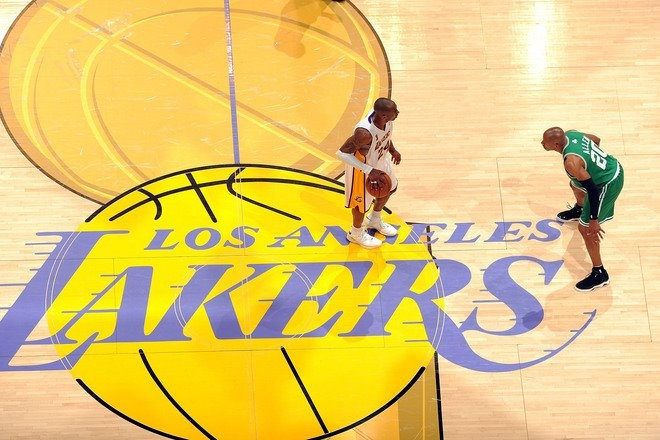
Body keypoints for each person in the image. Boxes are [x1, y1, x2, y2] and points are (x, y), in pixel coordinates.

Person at [542, 127, 624, 292]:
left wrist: (593, 220)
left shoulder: (571, 162)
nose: (542, 143)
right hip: (613, 166)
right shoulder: (572, 134)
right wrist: (594, 164)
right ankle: (579, 209)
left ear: (556, 144)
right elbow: (596, 140)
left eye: (545, 142)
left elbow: (593, 191)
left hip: (607, 184)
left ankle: (599, 273)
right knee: (575, 183)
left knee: (585, 229)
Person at [336, 98, 402, 249]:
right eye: (395, 111)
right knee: (360, 205)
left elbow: (385, 136)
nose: (397, 113)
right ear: (384, 115)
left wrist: (392, 150)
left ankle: (374, 219)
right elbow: (342, 153)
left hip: (379, 161)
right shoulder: (364, 133)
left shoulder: (386, 120)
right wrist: (369, 170)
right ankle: (355, 233)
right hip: (362, 169)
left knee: (389, 188)